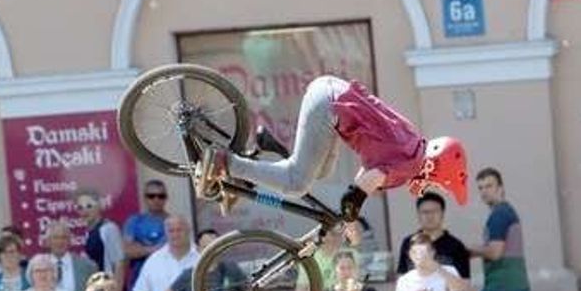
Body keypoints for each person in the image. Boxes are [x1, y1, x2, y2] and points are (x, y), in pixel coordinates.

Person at [192, 74, 468, 221]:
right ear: (435, 169)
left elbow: (367, 176)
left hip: (332, 95)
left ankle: (258, 157)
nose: (430, 187)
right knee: (296, 183)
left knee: (320, 171)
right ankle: (225, 162)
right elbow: (366, 184)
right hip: (330, 107)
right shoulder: (410, 165)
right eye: (438, 184)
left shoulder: (413, 144)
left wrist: (354, 205)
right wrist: (351, 213)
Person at [75, 188, 126, 291]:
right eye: (80, 208)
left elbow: (119, 265)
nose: (84, 211)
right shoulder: (89, 232)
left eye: (89, 206)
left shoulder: (109, 229)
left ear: (99, 206)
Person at [45, 220, 99, 291]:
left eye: (64, 237)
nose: (60, 242)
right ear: (48, 241)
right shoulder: (38, 266)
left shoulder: (88, 266)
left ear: (70, 241)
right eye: (55, 237)